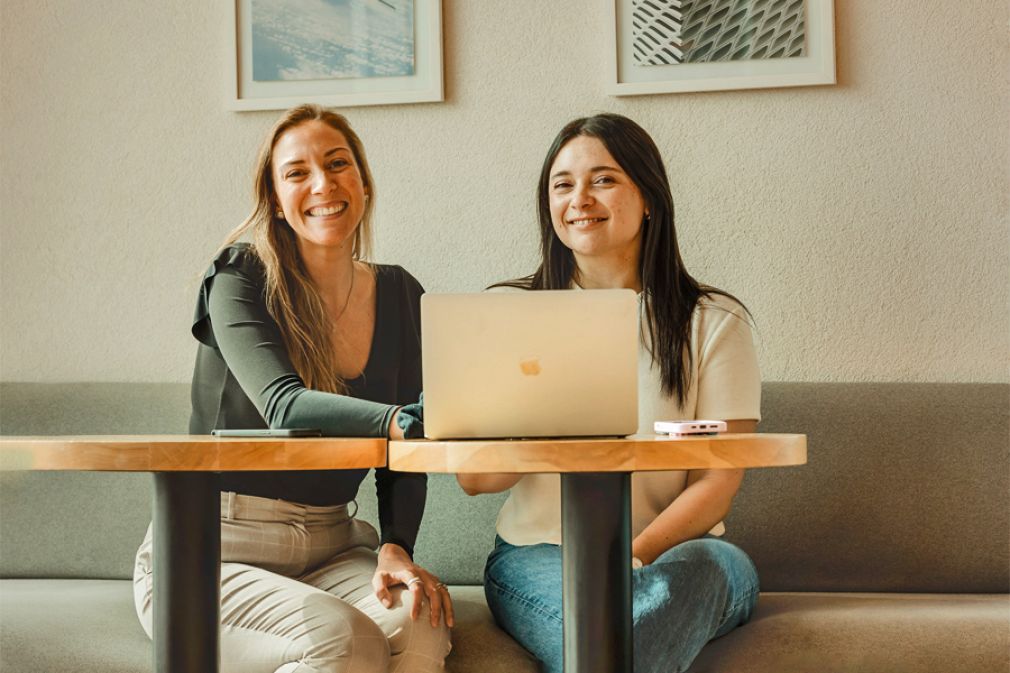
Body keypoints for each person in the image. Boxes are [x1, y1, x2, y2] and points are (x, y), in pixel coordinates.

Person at [132, 104, 452, 673]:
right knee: (346, 640)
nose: (323, 184)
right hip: (212, 546)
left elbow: (402, 459)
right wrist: (395, 419)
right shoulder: (239, 276)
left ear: (363, 181)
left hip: (332, 542)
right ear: (276, 200)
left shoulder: (402, 293)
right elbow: (283, 405)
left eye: (337, 164)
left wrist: (396, 546)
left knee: (420, 623)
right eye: (297, 172)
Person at [457, 113, 761, 673]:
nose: (580, 199)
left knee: (638, 616)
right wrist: (544, 403)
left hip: (684, 554)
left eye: (603, 179)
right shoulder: (509, 313)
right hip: (541, 555)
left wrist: (632, 559)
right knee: (615, 636)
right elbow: (476, 479)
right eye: (562, 184)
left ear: (649, 198)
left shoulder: (714, 322)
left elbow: (717, 482)